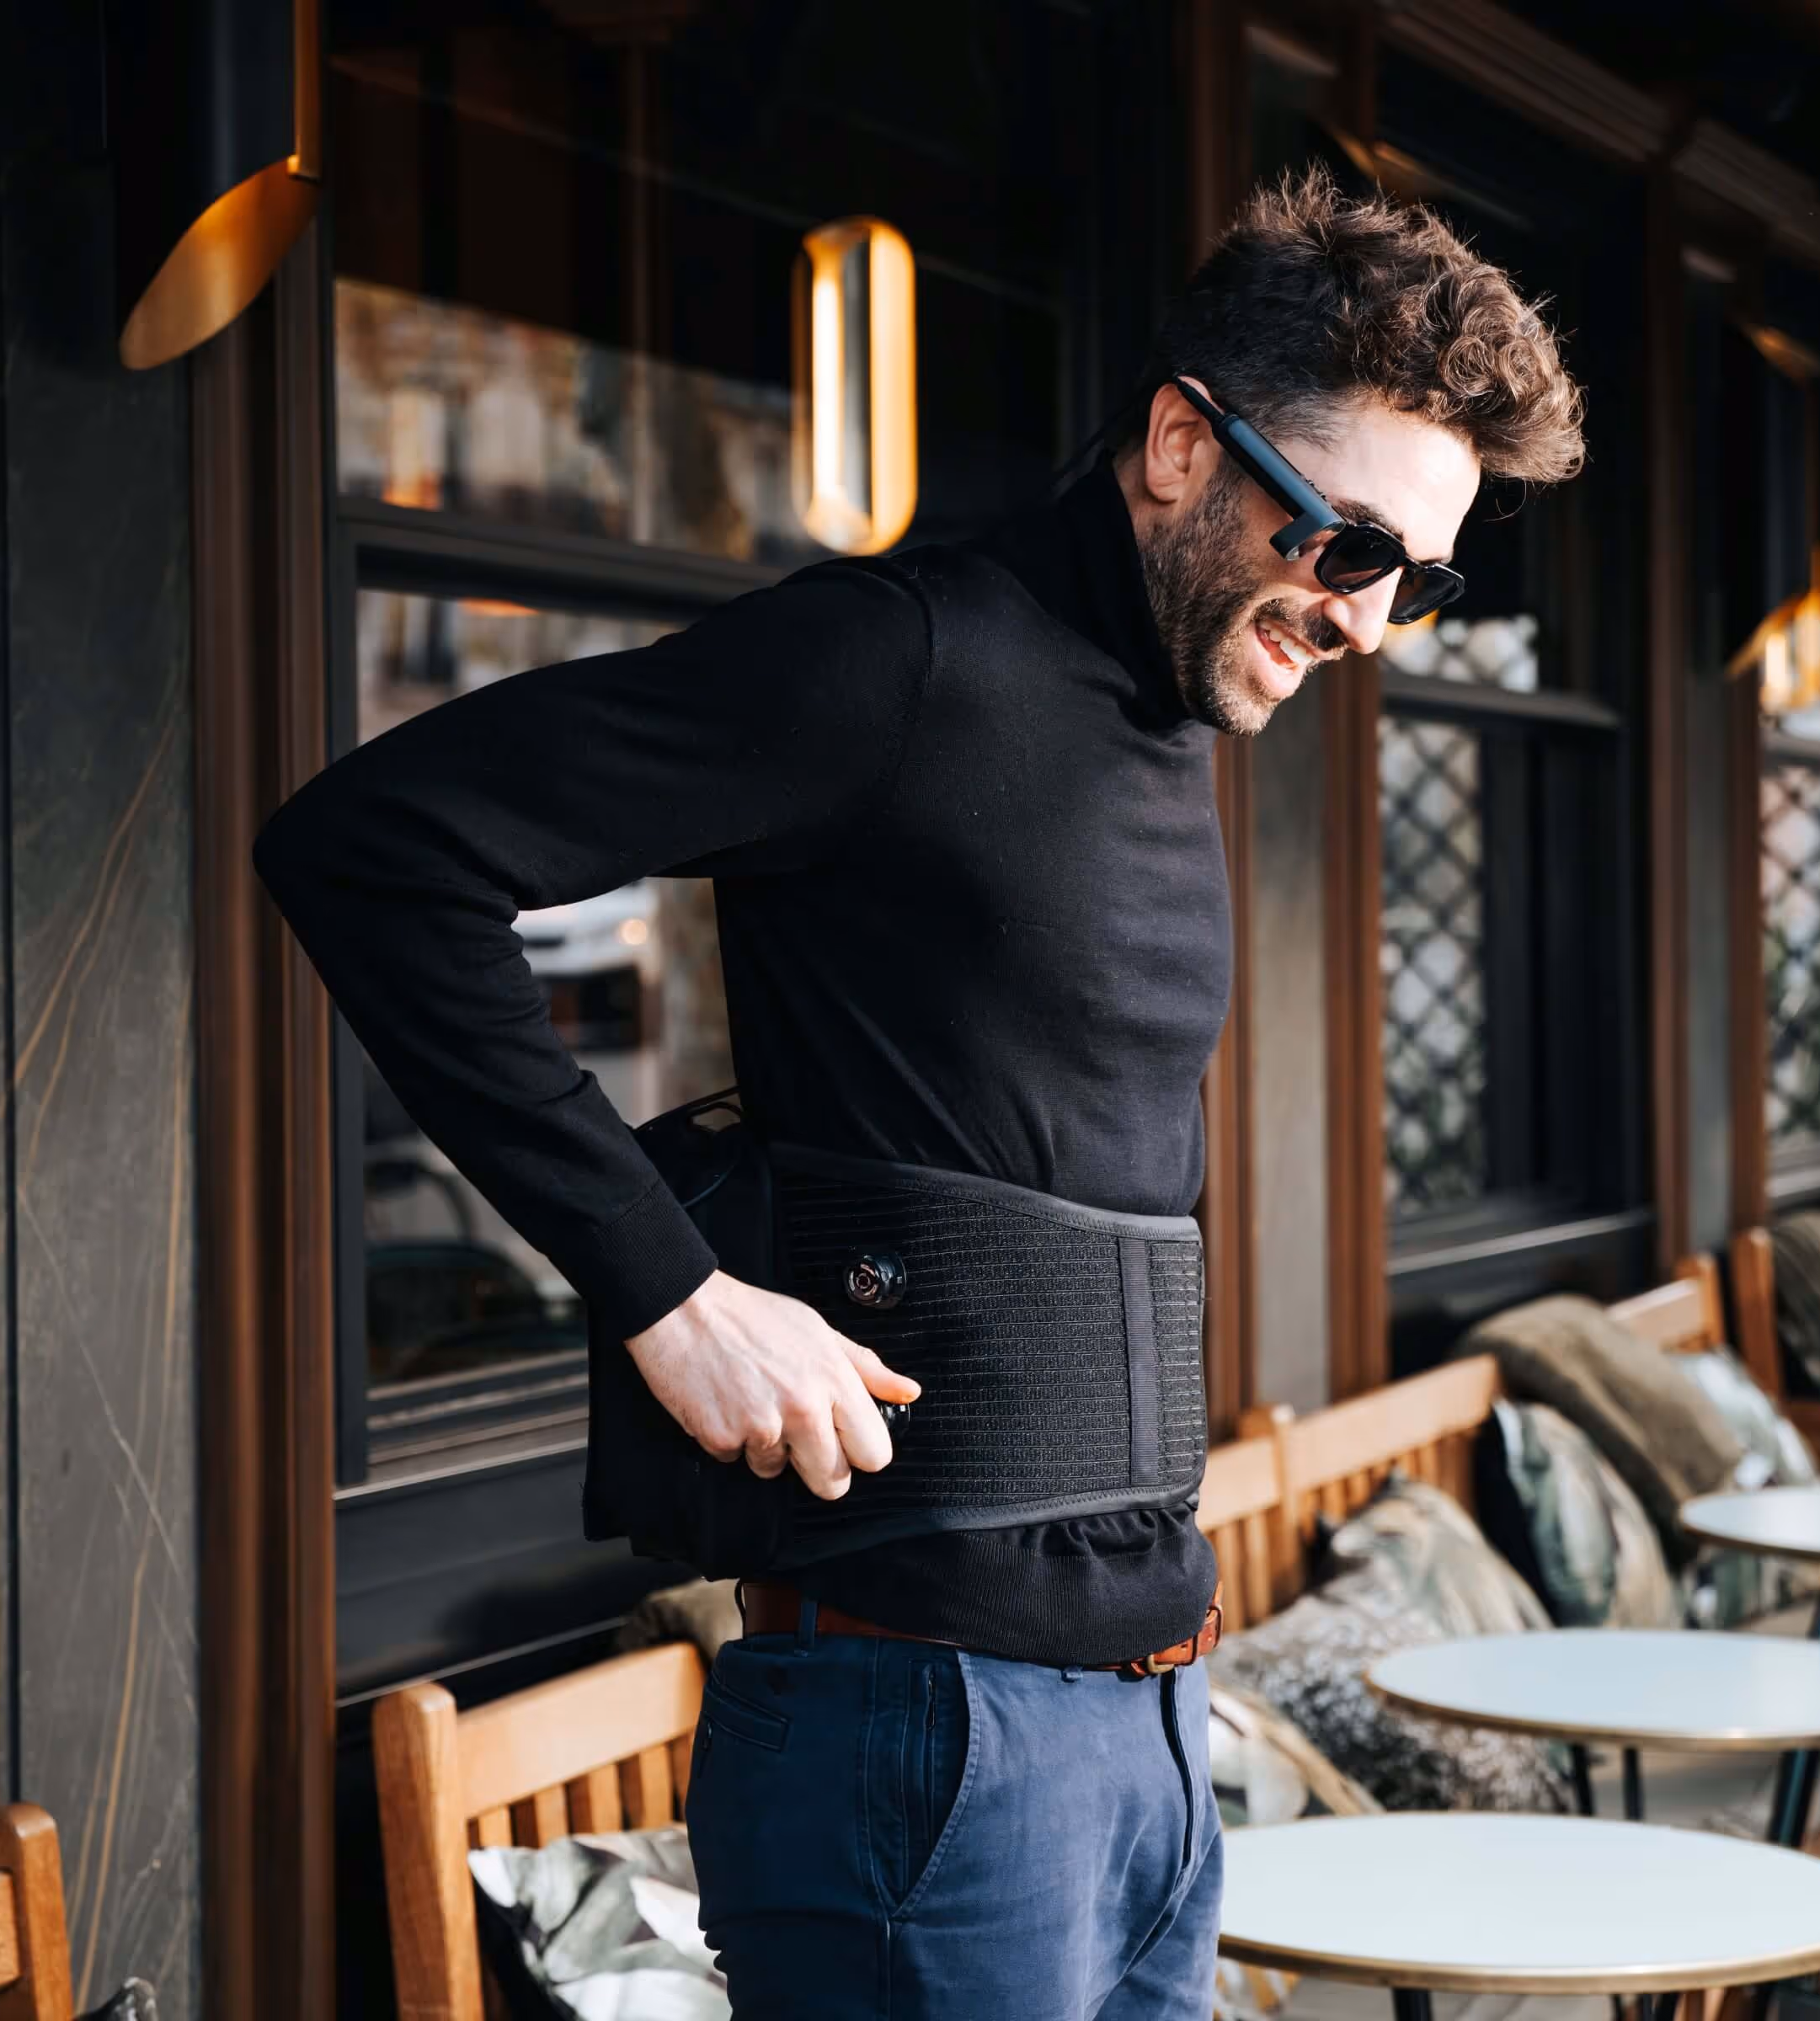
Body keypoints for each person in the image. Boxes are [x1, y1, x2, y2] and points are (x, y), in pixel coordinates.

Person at [253, 168, 1583, 2020]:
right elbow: (374, 849)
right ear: (1181, 450)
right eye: (1346, 544)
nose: (1368, 618)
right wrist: (667, 1292)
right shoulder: (898, 658)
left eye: (1417, 582)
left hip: (1146, 1731)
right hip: (929, 1737)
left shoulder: (1167, 717)